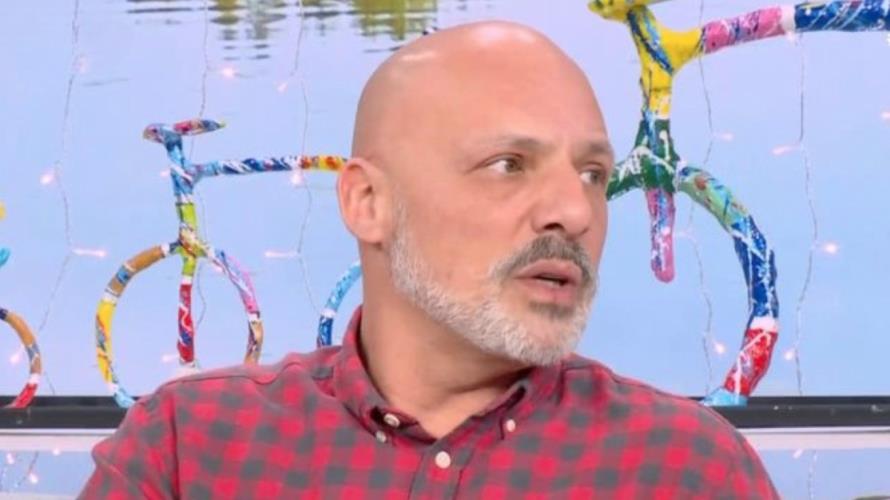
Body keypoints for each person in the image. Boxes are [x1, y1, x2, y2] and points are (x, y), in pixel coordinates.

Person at [79, 20, 779, 499]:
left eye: (592, 173)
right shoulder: (190, 445)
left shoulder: (690, 470)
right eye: (509, 164)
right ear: (367, 202)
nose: (576, 211)